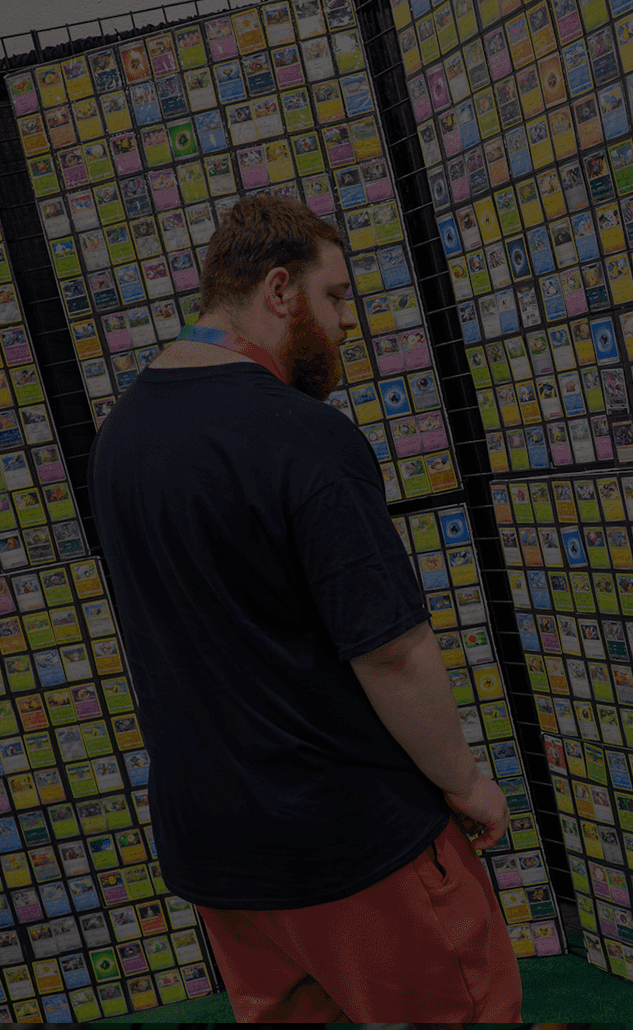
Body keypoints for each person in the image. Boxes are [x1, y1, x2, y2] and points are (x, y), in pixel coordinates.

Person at [88, 195, 521, 1022]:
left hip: (218, 850)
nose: (348, 320)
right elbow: (392, 651)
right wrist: (466, 782)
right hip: (347, 836)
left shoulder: (120, 438)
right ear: (280, 290)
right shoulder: (304, 435)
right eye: (337, 295)